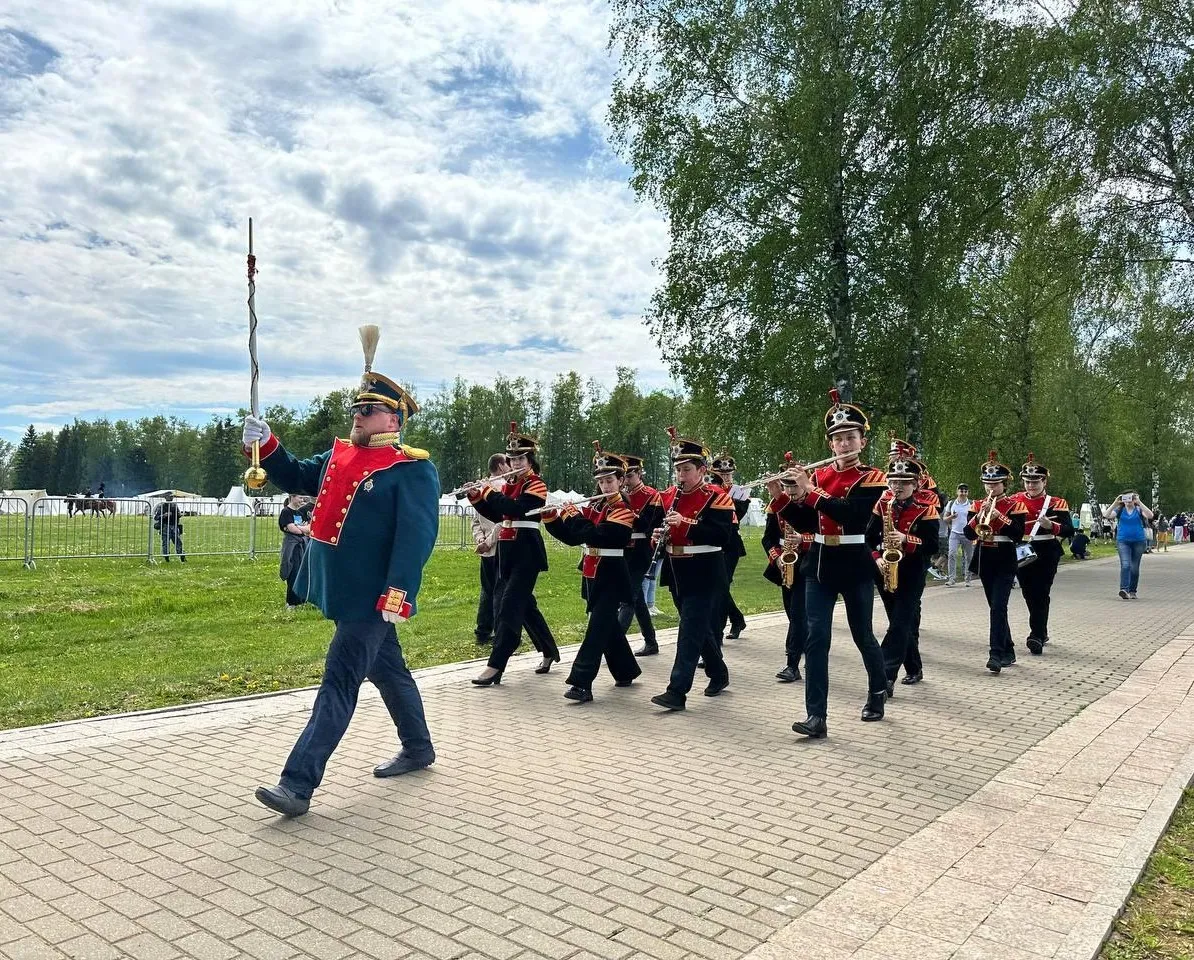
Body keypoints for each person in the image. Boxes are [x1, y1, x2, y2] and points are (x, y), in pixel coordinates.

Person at [241, 326, 439, 818]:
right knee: (389, 670)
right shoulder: (340, 453)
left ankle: (297, 785)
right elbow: (297, 475)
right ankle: (419, 748)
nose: (356, 416)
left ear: (392, 418)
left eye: (366, 410)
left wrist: (397, 595)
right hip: (339, 587)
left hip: (372, 597)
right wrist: (267, 446)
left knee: (339, 681)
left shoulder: (410, 468)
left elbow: (415, 540)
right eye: (354, 409)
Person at [771, 390, 890, 739]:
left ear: (862, 441)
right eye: (838, 439)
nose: (844, 443)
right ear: (831, 444)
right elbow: (806, 522)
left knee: (862, 634)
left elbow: (852, 518)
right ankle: (816, 716)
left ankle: (878, 690)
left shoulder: (872, 476)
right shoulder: (818, 477)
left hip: (854, 561)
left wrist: (809, 492)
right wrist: (784, 495)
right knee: (816, 637)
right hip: (819, 564)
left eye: (850, 437)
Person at [541, 447, 641, 702]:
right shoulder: (595, 507)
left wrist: (572, 515)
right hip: (591, 573)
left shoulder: (623, 510)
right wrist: (553, 520)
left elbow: (596, 535)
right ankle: (626, 670)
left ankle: (581, 683)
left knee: (596, 630)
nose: (605, 486)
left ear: (621, 480)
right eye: (601, 481)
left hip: (612, 575)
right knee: (606, 627)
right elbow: (575, 538)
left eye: (610, 480)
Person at [468, 423, 561, 685]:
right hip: (506, 552)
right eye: (512, 459)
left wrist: (488, 492)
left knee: (508, 607)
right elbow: (499, 515)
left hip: (527, 553)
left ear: (530, 460)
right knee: (525, 606)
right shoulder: (509, 485)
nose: (515, 462)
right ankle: (549, 651)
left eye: (520, 458)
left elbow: (517, 509)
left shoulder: (537, 484)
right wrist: (477, 498)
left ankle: (496, 665)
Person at [649, 429, 734, 711]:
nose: (681, 476)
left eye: (687, 469)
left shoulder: (717, 496)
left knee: (688, 631)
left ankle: (677, 691)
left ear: (702, 469)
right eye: (678, 470)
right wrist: (658, 536)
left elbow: (722, 535)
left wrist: (685, 523)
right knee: (698, 629)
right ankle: (719, 673)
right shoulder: (669, 496)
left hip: (706, 569)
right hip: (677, 569)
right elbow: (660, 529)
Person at [866, 455, 939, 696]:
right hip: (884, 569)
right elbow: (868, 538)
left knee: (899, 623)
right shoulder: (882, 503)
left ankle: (885, 676)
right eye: (894, 481)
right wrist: (877, 558)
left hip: (912, 571)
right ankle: (915, 667)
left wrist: (906, 539)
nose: (897, 487)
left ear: (916, 484)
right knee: (900, 623)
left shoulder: (926, 509)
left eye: (904, 482)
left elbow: (931, 546)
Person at [963, 452, 1028, 673]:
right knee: (995, 608)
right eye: (987, 484)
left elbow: (1018, 534)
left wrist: (998, 516)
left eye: (995, 484)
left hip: (1005, 558)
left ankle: (996, 654)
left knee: (998, 607)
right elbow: (968, 533)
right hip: (985, 558)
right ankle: (1008, 649)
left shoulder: (1015, 505)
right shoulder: (977, 504)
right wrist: (977, 516)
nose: (991, 488)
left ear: (1004, 484)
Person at [1014, 454, 1073, 656]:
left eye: (1035, 481)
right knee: (1028, 593)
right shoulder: (1015, 500)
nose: (1031, 485)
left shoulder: (1056, 502)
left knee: (1041, 591)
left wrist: (1052, 525)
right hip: (1022, 551)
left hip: (1046, 551)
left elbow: (1068, 530)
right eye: (1028, 481)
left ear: (1044, 481)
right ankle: (1041, 629)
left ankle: (1036, 635)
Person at [762, 454, 809, 683]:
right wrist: (777, 558)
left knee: (799, 614)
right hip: (785, 563)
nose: (790, 492)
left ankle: (792, 664)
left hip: (808, 563)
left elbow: (822, 534)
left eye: (794, 487)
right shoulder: (776, 506)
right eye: (786, 487)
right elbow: (768, 539)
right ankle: (808, 647)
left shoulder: (812, 504)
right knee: (793, 613)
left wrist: (803, 540)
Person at [616, 453, 664, 656]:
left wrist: (631, 516)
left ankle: (613, 643)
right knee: (637, 599)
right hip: (623, 550)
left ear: (639, 473)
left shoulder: (651, 495)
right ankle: (651, 641)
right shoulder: (619, 494)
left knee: (628, 596)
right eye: (623, 476)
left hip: (642, 549)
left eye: (629, 475)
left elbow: (651, 524)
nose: (626, 480)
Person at [710, 452, 750, 641]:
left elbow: (736, 516)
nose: (726, 477)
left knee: (721, 587)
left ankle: (719, 630)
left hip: (731, 544)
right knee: (719, 587)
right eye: (722, 473)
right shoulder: (709, 489)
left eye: (728, 474)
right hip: (714, 542)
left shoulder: (740, 492)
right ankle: (736, 618)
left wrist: (727, 500)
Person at [471, 453, 509, 645]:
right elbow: (504, 520)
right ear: (501, 466)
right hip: (500, 544)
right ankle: (498, 632)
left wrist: (481, 540)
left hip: (486, 546)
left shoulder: (481, 488)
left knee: (487, 590)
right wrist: (487, 542)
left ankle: (482, 631)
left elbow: (475, 521)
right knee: (499, 590)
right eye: (508, 463)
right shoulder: (502, 488)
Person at [1103, 492, 1154, 599]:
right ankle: (1124, 589)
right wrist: (1115, 503)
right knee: (1126, 565)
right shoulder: (1120, 510)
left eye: (1131, 497)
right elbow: (1106, 515)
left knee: (1134, 568)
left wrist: (1139, 502)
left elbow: (1150, 515)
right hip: (1123, 541)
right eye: (1126, 498)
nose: (1129, 500)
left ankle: (1132, 590)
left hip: (1138, 541)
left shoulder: (1139, 510)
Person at [278, 493, 313, 609]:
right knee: (293, 572)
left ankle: (301, 599)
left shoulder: (299, 512)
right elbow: (292, 528)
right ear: (292, 497)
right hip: (292, 546)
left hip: (302, 544)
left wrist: (299, 528)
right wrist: (300, 529)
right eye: (299, 497)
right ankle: (291, 602)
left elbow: (308, 528)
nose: (302, 500)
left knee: (301, 573)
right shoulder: (286, 512)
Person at [942, 484, 974, 586]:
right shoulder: (951, 503)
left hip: (967, 533)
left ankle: (968, 579)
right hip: (955, 533)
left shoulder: (971, 504)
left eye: (965, 491)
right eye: (961, 491)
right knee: (952, 554)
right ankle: (952, 579)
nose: (963, 493)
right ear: (957, 492)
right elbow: (945, 519)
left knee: (969, 556)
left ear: (967, 493)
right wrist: (952, 516)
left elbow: (976, 517)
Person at [153, 492, 186, 562]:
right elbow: (156, 517)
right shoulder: (162, 506)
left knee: (178, 542)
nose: (171, 498)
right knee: (166, 542)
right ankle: (166, 557)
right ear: (165, 497)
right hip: (165, 526)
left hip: (174, 526)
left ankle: (181, 556)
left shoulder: (174, 505)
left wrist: (180, 514)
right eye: (170, 496)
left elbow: (178, 514)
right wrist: (164, 515)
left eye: (172, 496)